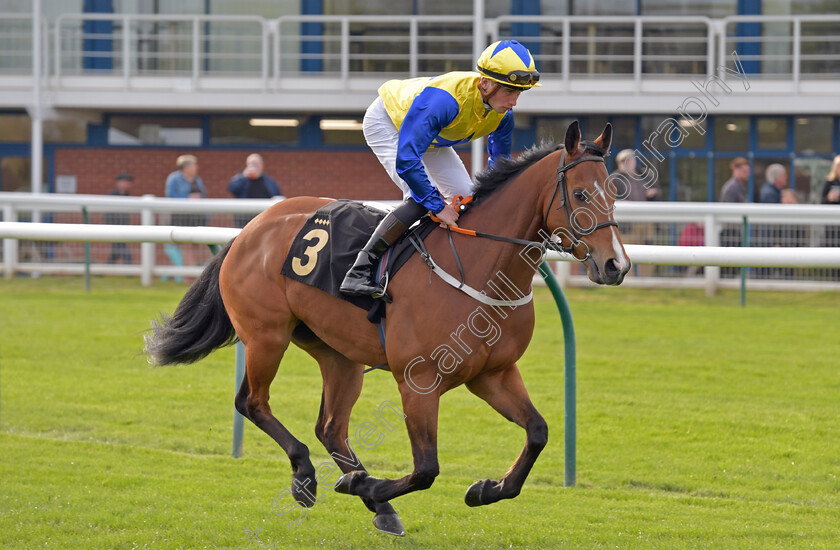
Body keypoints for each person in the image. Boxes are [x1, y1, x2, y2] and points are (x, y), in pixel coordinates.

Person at [340, 40, 540, 299]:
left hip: (431, 136)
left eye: (519, 93)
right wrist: (437, 205)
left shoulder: (503, 115)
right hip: (388, 122)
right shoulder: (443, 101)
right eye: (509, 91)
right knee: (419, 198)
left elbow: (498, 165)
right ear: (486, 84)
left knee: (468, 199)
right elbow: (407, 160)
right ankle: (360, 271)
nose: (514, 101)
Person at [614, 149, 659, 277]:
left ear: (633, 161)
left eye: (628, 160)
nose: (625, 164)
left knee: (649, 251)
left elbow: (658, 192)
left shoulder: (646, 175)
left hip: (646, 221)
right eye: (622, 161)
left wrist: (652, 194)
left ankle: (647, 280)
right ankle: (629, 280)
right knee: (628, 252)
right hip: (626, 224)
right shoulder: (615, 179)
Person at [164, 154, 207, 280]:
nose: (196, 167)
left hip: (197, 216)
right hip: (181, 216)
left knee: (196, 245)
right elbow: (170, 195)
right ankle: (190, 277)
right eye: (193, 165)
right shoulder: (174, 179)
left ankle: (195, 275)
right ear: (186, 167)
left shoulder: (197, 180)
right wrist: (187, 199)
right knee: (186, 246)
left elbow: (203, 198)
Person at [227, 153, 282, 228]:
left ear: (261, 165)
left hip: (263, 217)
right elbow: (232, 188)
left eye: (256, 164)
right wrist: (243, 176)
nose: (253, 166)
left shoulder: (268, 181)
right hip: (244, 218)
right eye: (251, 164)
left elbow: (276, 195)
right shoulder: (241, 179)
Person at [719, 157, 750, 277]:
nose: (748, 174)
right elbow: (727, 211)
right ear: (735, 170)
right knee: (730, 263)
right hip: (730, 230)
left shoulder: (739, 186)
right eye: (745, 171)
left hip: (734, 229)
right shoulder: (732, 187)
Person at [104, 172, 134, 264]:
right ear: (118, 183)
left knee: (116, 253)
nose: (126, 184)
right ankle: (130, 273)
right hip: (113, 228)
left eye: (128, 182)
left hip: (123, 228)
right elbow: (106, 214)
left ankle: (101, 271)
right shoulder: (112, 195)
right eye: (124, 181)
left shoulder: (128, 196)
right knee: (125, 253)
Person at [820, 155, 840, 279]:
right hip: (833, 226)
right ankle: (834, 277)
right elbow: (821, 202)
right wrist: (829, 198)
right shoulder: (829, 183)